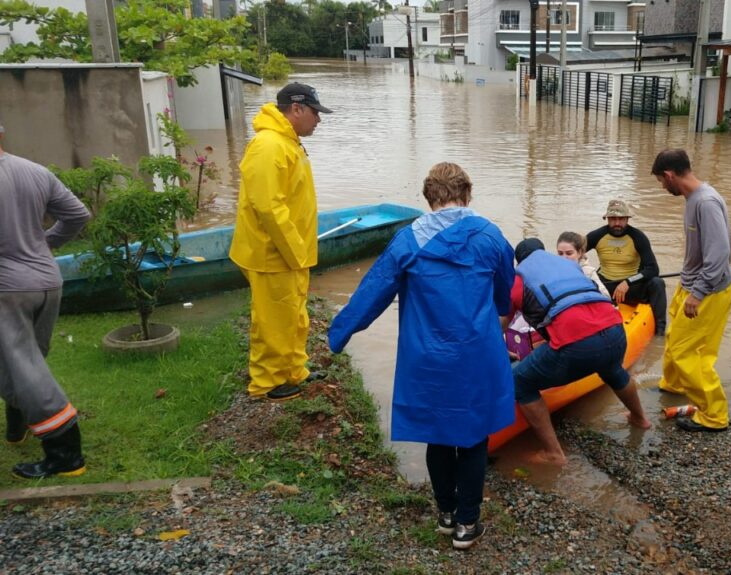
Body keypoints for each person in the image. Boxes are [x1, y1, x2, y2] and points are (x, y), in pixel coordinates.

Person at [328, 163, 515, 550]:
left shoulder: (406, 241)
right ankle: (468, 523)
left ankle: (446, 513)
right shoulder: (491, 236)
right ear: (467, 195)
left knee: (440, 435)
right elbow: (504, 291)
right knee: (475, 437)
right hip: (476, 354)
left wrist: (336, 336)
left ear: (429, 198)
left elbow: (372, 293)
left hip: (427, 357)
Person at [229, 83, 333, 402]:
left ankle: (293, 371)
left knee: (293, 315)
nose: (319, 119)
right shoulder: (269, 145)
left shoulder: (288, 142)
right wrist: (296, 252)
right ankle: (266, 383)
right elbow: (268, 208)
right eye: (315, 112)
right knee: (273, 320)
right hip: (273, 254)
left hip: (290, 253)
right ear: (297, 109)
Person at [0, 120, 91, 479]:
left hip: (8, 290)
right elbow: (78, 215)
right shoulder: (33, 171)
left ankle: (65, 451)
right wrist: (45, 244)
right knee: (26, 361)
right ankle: (16, 426)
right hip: (47, 283)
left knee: (21, 366)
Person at [511, 238, 651, 466]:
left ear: (519, 262)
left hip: (577, 345)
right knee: (612, 368)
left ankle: (553, 453)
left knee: (519, 382)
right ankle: (640, 419)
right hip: (615, 332)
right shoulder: (569, 265)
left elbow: (502, 322)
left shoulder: (519, 278)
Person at [651, 149, 731, 433]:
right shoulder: (693, 199)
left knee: (690, 353)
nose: (663, 187)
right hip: (690, 285)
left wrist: (698, 292)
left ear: (670, 175)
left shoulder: (706, 202)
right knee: (675, 339)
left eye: (662, 181)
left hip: (707, 292)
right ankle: (674, 385)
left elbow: (719, 253)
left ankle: (714, 415)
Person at [586, 200, 667, 335]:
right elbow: (574, 253)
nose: (617, 223)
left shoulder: (638, 237)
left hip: (631, 288)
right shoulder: (596, 235)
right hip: (607, 286)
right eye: (613, 219)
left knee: (657, 283)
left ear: (627, 219)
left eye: (621, 219)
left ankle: (660, 332)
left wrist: (628, 281)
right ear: (607, 219)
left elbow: (653, 269)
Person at [555, 231, 611, 299]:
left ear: (580, 252)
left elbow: (606, 296)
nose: (564, 257)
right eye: (560, 253)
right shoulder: (552, 271)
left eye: (569, 253)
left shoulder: (588, 272)